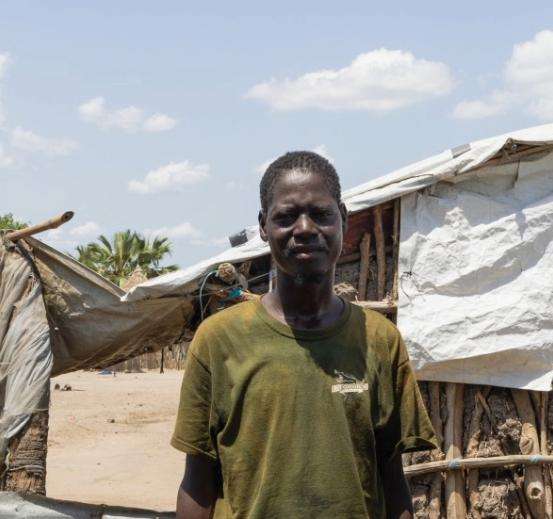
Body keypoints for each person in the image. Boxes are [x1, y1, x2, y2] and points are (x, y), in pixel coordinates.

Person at [172, 151, 438, 518]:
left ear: (342, 219)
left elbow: (392, 479)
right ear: (264, 226)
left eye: (320, 214)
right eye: (286, 216)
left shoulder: (380, 340)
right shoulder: (218, 339)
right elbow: (197, 480)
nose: (304, 228)